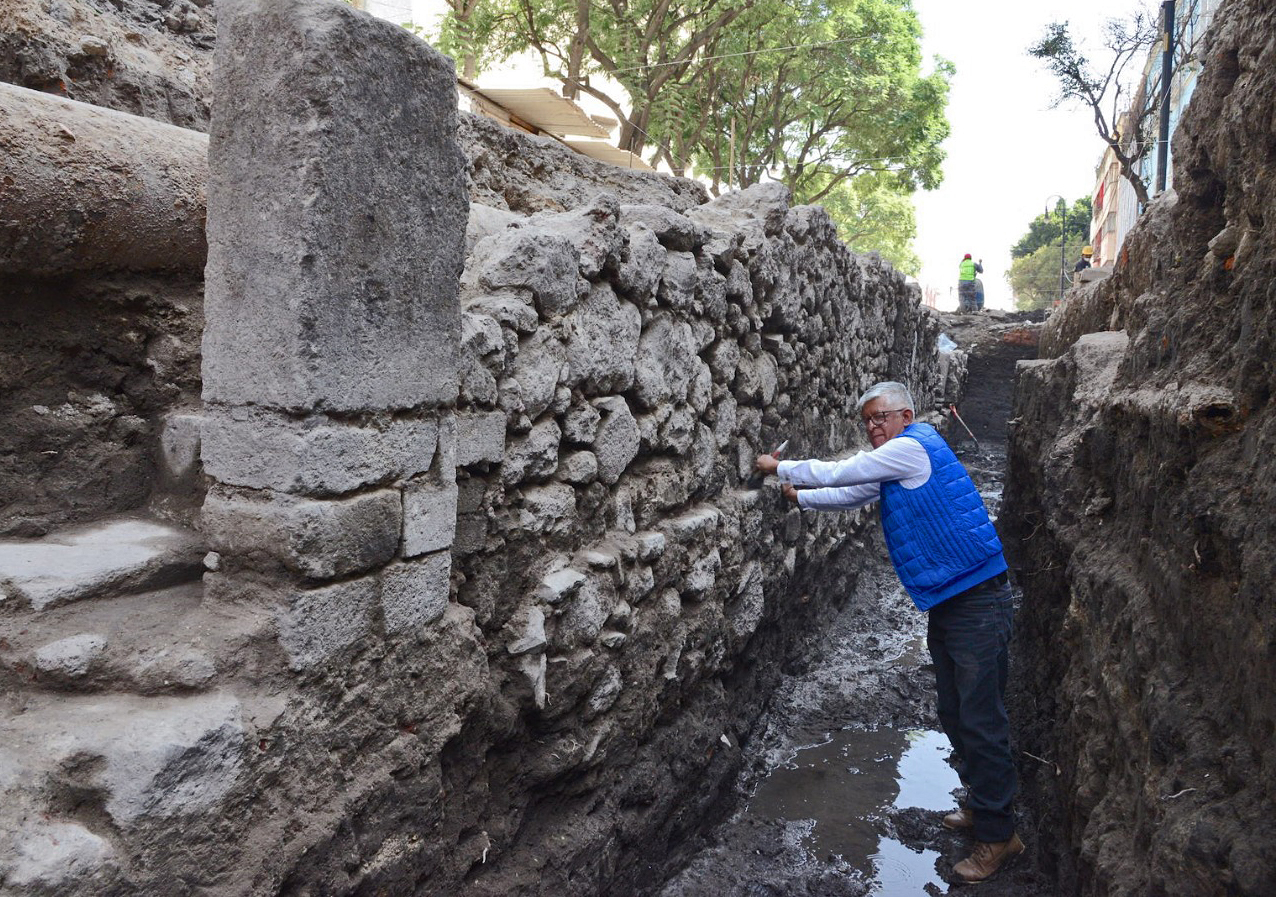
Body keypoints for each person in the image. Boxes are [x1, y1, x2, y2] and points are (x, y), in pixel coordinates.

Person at [754, 381, 1022, 883]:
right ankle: (982, 805)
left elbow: (847, 470)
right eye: (868, 421)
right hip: (951, 598)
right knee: (954, 710)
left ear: (906, 416)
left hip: (978, 601)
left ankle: (998, 835)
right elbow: (853, 492)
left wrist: (778, 468)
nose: (874, 427)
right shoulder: (897, 463)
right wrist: (803, 498)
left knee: (981, 719)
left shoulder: (912, 448)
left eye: (882, 417)